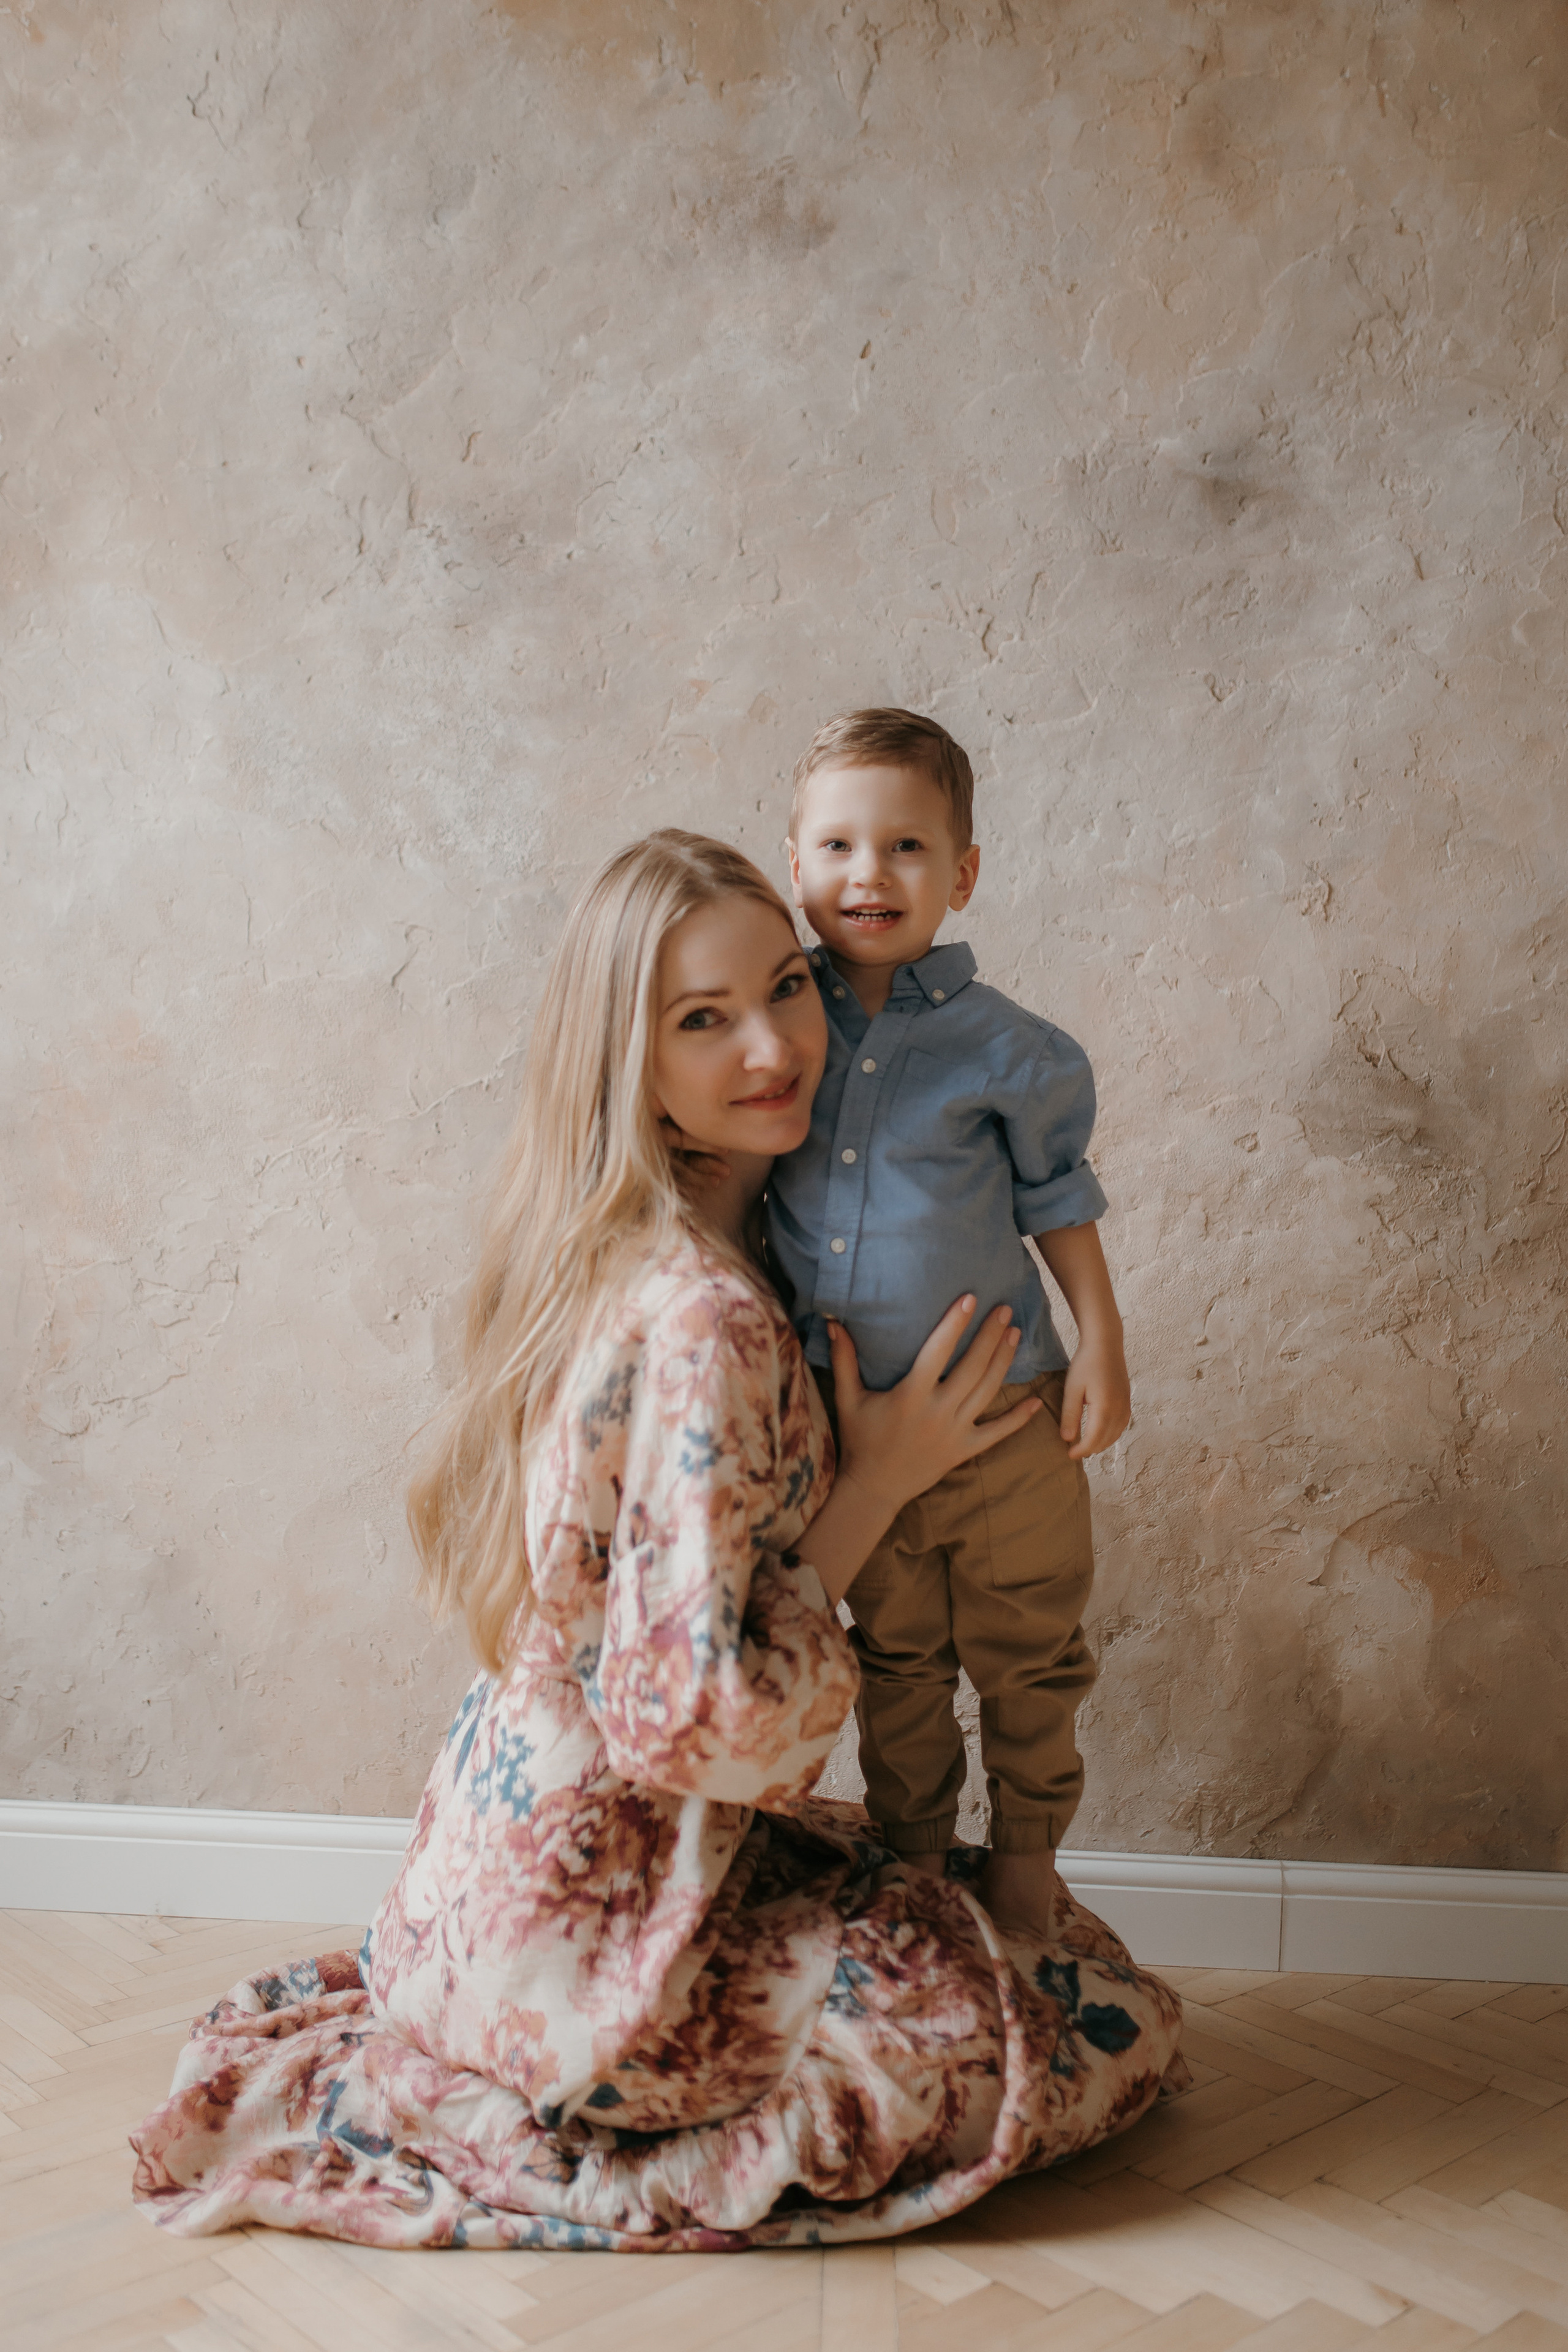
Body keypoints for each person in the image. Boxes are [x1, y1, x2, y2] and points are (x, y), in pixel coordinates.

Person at [131, 828, 1182, 2253]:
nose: (771, 1045)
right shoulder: (708, 1319)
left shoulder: (650, 1244)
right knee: (1050, 2030)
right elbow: (696, 1728)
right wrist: (880, 1478)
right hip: (595, 1945)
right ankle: (564, 2072)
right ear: (628, 1061)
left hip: (497, 1882)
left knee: (980, 1917)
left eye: (787, 989)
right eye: (703, 1020)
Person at [767, 710, 1130, 1943]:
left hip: (1004, 1418)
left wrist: (1102, 1345)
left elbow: (1058, 1206)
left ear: (961, 872)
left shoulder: (1009, 1052)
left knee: (1028, 1658)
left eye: (906, 847)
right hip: (855, 1438)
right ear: (796, 863)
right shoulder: (780, 1033)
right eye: (837, 846)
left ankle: (1023, 1856)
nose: (868, 875)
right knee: (898, 1659)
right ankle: (914, 1859)